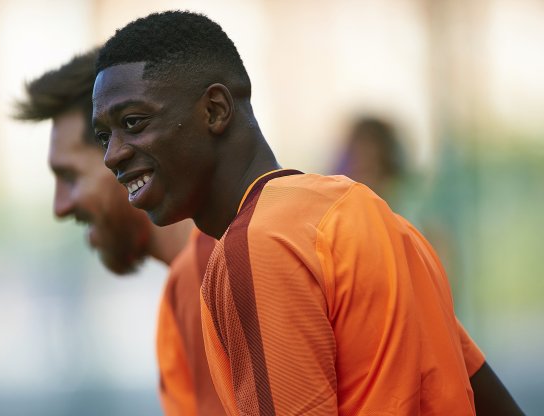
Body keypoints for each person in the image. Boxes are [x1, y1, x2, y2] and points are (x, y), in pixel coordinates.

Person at [91, 11, 524, 415]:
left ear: (215, 111)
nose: (112, 155)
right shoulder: (370, 215)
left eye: (133, 122)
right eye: (102, 136)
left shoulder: (256, 245)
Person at [13, 50, 225, 415]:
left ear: (122, 155)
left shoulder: (208, 272)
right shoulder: (200, 270)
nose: (60, 207)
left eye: (70, 177)